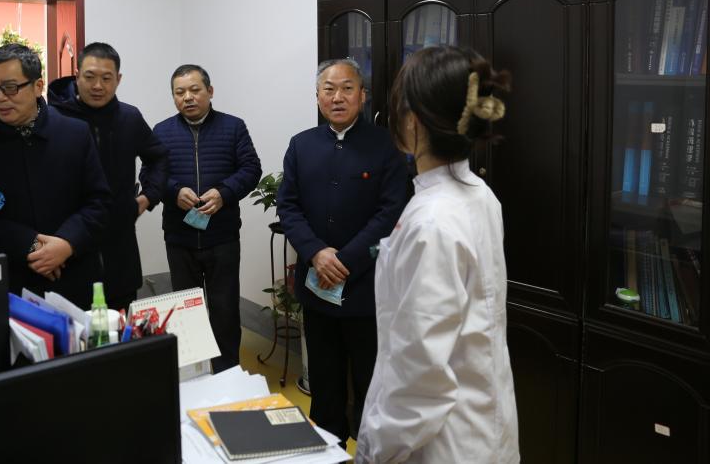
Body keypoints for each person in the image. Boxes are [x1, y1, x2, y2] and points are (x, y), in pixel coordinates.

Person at [356, 45, 518, 463]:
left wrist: (375, 452)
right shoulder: (479, 194)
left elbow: (419, 377)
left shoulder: (431, 222)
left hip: (442, 443)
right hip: (481, 422)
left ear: (412, 121)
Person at [276, 58, 407, 446]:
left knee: (370, 383)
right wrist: (316, 253)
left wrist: (345, 260)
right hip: (317, 289)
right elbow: (288, 207)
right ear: (317, 97)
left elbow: (391, 211)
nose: (338, 97)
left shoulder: (385, 145)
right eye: (329, 89)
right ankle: (328, 446)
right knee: (324, 382)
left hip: (366, 289)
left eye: (347, 88)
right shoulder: (301, 145)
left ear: (362, 96)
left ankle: (368, 449)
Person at [0, 43, 110, 309]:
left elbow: (99, 202)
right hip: (6, 283)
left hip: (72, 274)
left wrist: (67, 243)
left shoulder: (75, 133)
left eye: (11, 88)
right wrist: (31, 245)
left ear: (37, 86)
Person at [150, 64, 261, 372]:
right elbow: (151, 174)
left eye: (194, 90)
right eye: (179, 92)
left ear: (210, 92)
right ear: (173, 97)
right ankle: (192, 374)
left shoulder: (233, 127)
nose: (187, 97)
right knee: (186, 312)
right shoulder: (161, 131)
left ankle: (227, 374)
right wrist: (174, 191)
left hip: (222, 237)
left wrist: (224, 193)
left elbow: (251, 168)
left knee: (225, 311)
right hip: (179, 238)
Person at [48, 42, 167, 312]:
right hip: (68, 247)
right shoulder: (53, 118)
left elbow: (158, 157)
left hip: (119, 249)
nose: (98, 86)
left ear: (118, 79)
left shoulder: (129, 117)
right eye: (90, 77)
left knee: (119, 324)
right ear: (77, 75)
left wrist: (148, 197)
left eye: (106, 78)